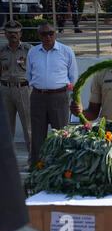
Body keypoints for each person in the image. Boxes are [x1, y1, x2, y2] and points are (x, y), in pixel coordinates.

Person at [26, 23, 78, 167]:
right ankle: (36, 166)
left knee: (61, 132)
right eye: (44, 34)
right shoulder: (33, 52)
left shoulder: (66, 51)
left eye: (51, 33)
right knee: (37, 134)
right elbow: (29, 75)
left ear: (55, 34)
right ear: (39, 36)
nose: (48, 36)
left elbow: (73, 77)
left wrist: (63, 93)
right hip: (38, 97)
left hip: (59, 97)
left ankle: (63, 166)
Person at [0, 21, 33, 166]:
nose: (13, 35)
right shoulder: (1, 51)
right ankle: (7, 162)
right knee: (6, 128)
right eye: (10, 32)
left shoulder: (29, 50)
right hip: (5, 90)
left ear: (20, 34)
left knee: (28, 126)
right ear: (5, 34)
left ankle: (33, 160)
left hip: (24, 89)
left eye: (16, 32)